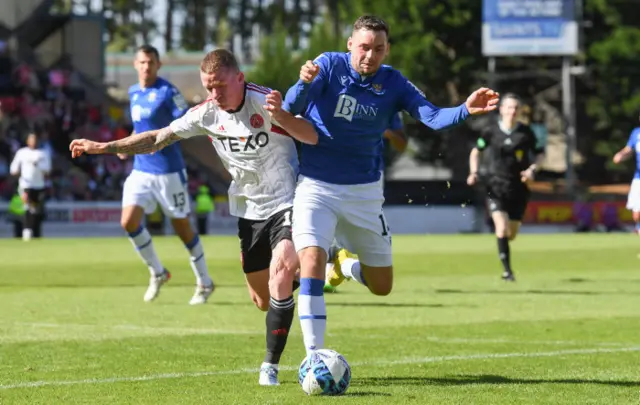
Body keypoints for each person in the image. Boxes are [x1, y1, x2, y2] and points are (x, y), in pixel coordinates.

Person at [70, 49, 319, 387]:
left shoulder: (266, 102)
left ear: (239, 78)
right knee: (263, 300)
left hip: (287, 200)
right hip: (248, 210)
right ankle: (322, 267)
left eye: (219, 86)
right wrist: (103, 147)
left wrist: (285, 118)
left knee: (280, 274)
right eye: (208, 87)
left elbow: (311, 135)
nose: (213, 94)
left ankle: (270, 367)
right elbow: (158, 138)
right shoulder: (205, 114)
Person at [282, 14, 499, 354]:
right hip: (316, 186)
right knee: (310, 260)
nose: (370, 55)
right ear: (350, 45)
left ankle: (347, 265)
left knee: (382, 286)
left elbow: (432, 117)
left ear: (387, 50)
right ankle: (315, 357)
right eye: (364, 47)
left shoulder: (394, 83)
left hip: (365, 194)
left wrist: (465, 110)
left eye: (378, 49)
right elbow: (288, 108)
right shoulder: (326, 65)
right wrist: (303, 82)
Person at [119, 45, 214, 305]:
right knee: (128, 222)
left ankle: (205, 281)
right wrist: (127, 146)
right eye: (142, 62)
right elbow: (140, 127)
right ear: (135, 65)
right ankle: (158, 272)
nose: (146, 66)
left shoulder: (169, 92)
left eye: (151, 62)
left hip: (168, 171)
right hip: (141, 170)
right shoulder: (133, 92)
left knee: (182, 228)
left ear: (158, 65)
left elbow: (184, 124)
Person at [467, 93, 545, 281]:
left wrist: (532, 169)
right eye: (509, 107)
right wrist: (474, 172)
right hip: (495, 186)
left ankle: (505, 253)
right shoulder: (490, 131)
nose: (512, 111)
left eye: (516, 108)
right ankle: (507, 271)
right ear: (501, 110)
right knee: (501, 229)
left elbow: (540, 155)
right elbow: (476, 152)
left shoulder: (526, 133)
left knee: (511, 234)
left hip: (519, 188)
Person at [9, 132, 51, 241]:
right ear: (28, 141)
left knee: (37, 210)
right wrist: (17, 173)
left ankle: (36, 233)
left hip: (39, 186)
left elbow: (47, 169)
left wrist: (38, 165)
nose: (34, 142)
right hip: (25, 185)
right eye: (31, 140)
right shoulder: (22, 153)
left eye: (35, 140)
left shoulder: (43, 154)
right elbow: (13, 168)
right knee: (26, 207)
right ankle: (26, 232)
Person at [613, 118, 640, 234]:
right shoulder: (636, 133)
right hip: (639, 177)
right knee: (636, 214)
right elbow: (629, 149)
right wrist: (621, 155)